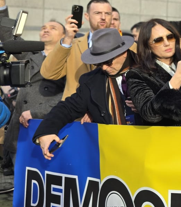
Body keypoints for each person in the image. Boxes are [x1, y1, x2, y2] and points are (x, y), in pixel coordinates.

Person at [32, 29, 140, 159]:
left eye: (108, 62)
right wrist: (46, 131)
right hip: (113, 154)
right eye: (98, 63)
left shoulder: (151, 70)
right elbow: (68, 107)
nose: (104, 68)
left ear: (123, 53)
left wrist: (147, 106)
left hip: (150, 150)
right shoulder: (92, 80)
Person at [0, 0, 66, 168]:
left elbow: (67, 95)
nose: (46, 29)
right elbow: (7, 36)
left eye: (52, 27)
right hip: (21, 129)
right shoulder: (30, 54)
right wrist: (0, 0)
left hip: (46, 125)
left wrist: (36, 112)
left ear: (65, 36)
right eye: (43, 27)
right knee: (22, 182)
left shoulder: (69, 59)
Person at [41, 0, 134, 100]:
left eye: (107, 14)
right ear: (87, 16)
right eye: (97, 13)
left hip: (114, 110)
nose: (103, 17)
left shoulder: (129, 46)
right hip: (76, 110)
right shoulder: (72, 45)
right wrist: (67, 39)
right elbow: (49, 73)